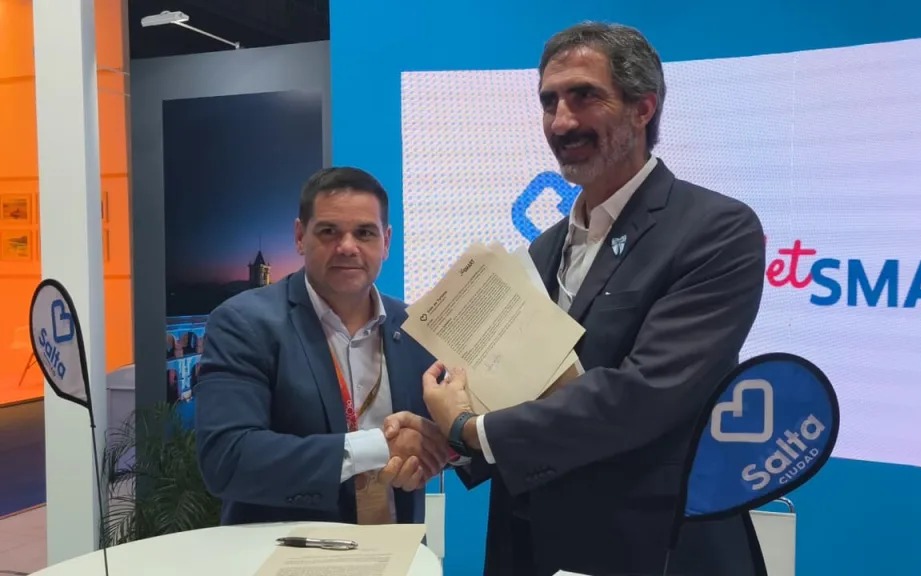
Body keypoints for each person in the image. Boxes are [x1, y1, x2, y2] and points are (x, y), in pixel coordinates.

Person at [421, 21, 769, 576]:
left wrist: (470, 429)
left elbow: (643, 395)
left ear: (643, 108)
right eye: (549, 101)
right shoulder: (544, 248)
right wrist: (441, 439)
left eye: (584, 96)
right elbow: (516, 389)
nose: (561, 121)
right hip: (526, 541)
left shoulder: (717, 230)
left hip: (650, 547)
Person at [195, 167, 448, 527]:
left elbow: (437, 434)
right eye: (329, 231)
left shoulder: (415, 327)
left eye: (365, 233)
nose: (347, 247)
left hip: (399, 549)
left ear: (386, 242)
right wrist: (378, 447)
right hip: (291, 552)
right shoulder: (243, 323)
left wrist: (440, 449)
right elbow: (227, 458)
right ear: (300, 237)